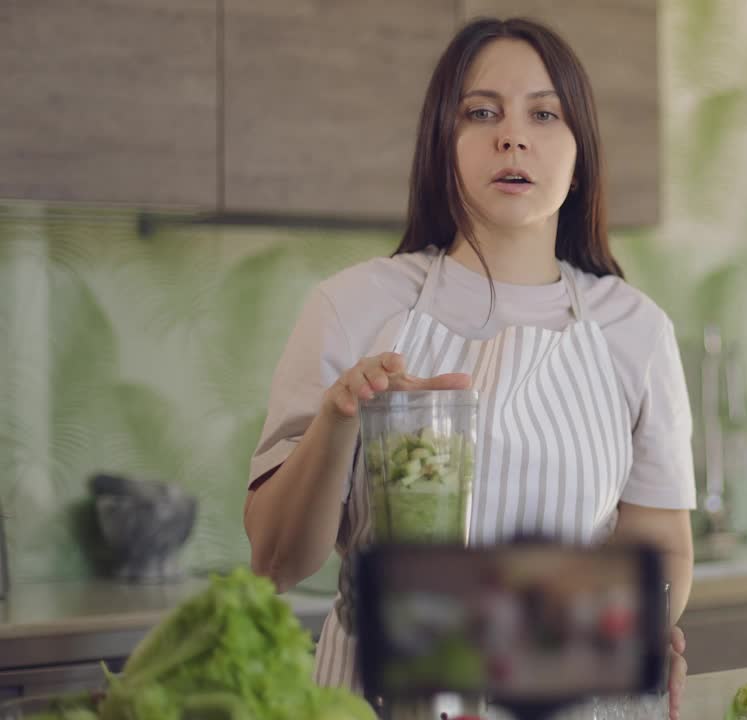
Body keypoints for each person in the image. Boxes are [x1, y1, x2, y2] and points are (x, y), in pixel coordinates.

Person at [242, 15, 696, 718]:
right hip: (379, 695)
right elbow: (276, 561)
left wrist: (640, 625)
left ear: (581, 161)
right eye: (481, 112)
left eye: (545, 114)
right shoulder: (352, 307)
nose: (511, 135)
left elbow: (660, 543)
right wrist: (338, 418)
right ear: (440, 148)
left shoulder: (635, 330)